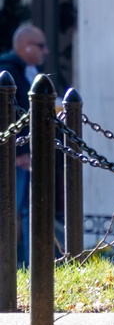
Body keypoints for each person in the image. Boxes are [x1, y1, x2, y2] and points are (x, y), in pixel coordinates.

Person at [0, 23, 49, 264]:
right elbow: (7, 115)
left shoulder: (29, 71)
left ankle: (33, 267)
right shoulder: (7, 71)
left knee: (31, 209)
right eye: (41, 46)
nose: (45, 51)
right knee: (9, 210)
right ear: (26, 47)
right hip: (13, 156)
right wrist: (19, 151)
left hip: (29, 152)